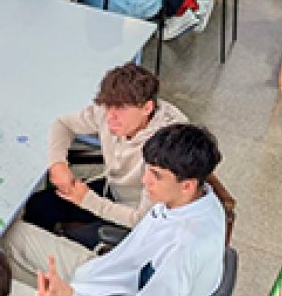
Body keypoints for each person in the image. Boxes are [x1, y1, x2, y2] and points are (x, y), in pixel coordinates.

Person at [0, 124, 225, 296]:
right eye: (147, 169)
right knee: (11, 235)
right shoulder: (195, 197)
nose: (145, 180)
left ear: (187, 185)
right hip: (111, 275)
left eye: (156, 175)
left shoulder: (183, 249)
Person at [23, 64, 190, 246]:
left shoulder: (168, 146)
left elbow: (142, 219)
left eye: (121, 108)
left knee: (68, 239)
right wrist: (58, 164)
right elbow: (62, 124)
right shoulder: (109, 111)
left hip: (139, 217)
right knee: (38, 206)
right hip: (113, 189)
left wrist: (88, 201)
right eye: (108, 107)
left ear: (147, 108)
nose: (110, 117)